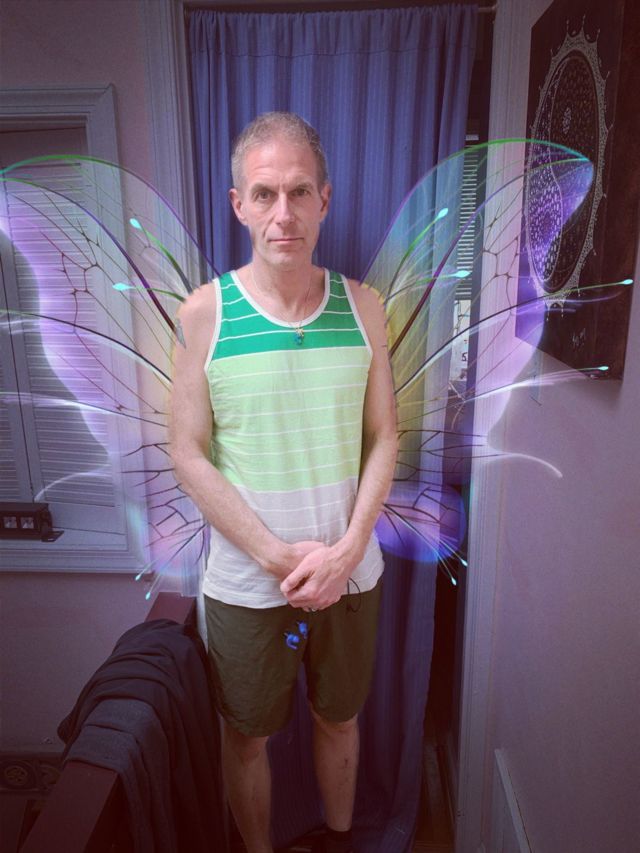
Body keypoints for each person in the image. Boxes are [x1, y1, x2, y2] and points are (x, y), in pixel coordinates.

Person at [169, 112, 397, 853]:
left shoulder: (365, 307)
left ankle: (338, 840)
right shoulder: (204, 313)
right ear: (239, 204)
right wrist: (274, 555)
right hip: (246, 582)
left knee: (341, 719)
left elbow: (385, 437)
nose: (284, 214)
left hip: (349, 575)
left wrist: (346, 551)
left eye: (300, 192)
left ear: (325, 200)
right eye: (265, 194)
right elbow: (187, 451)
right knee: (245, 738)